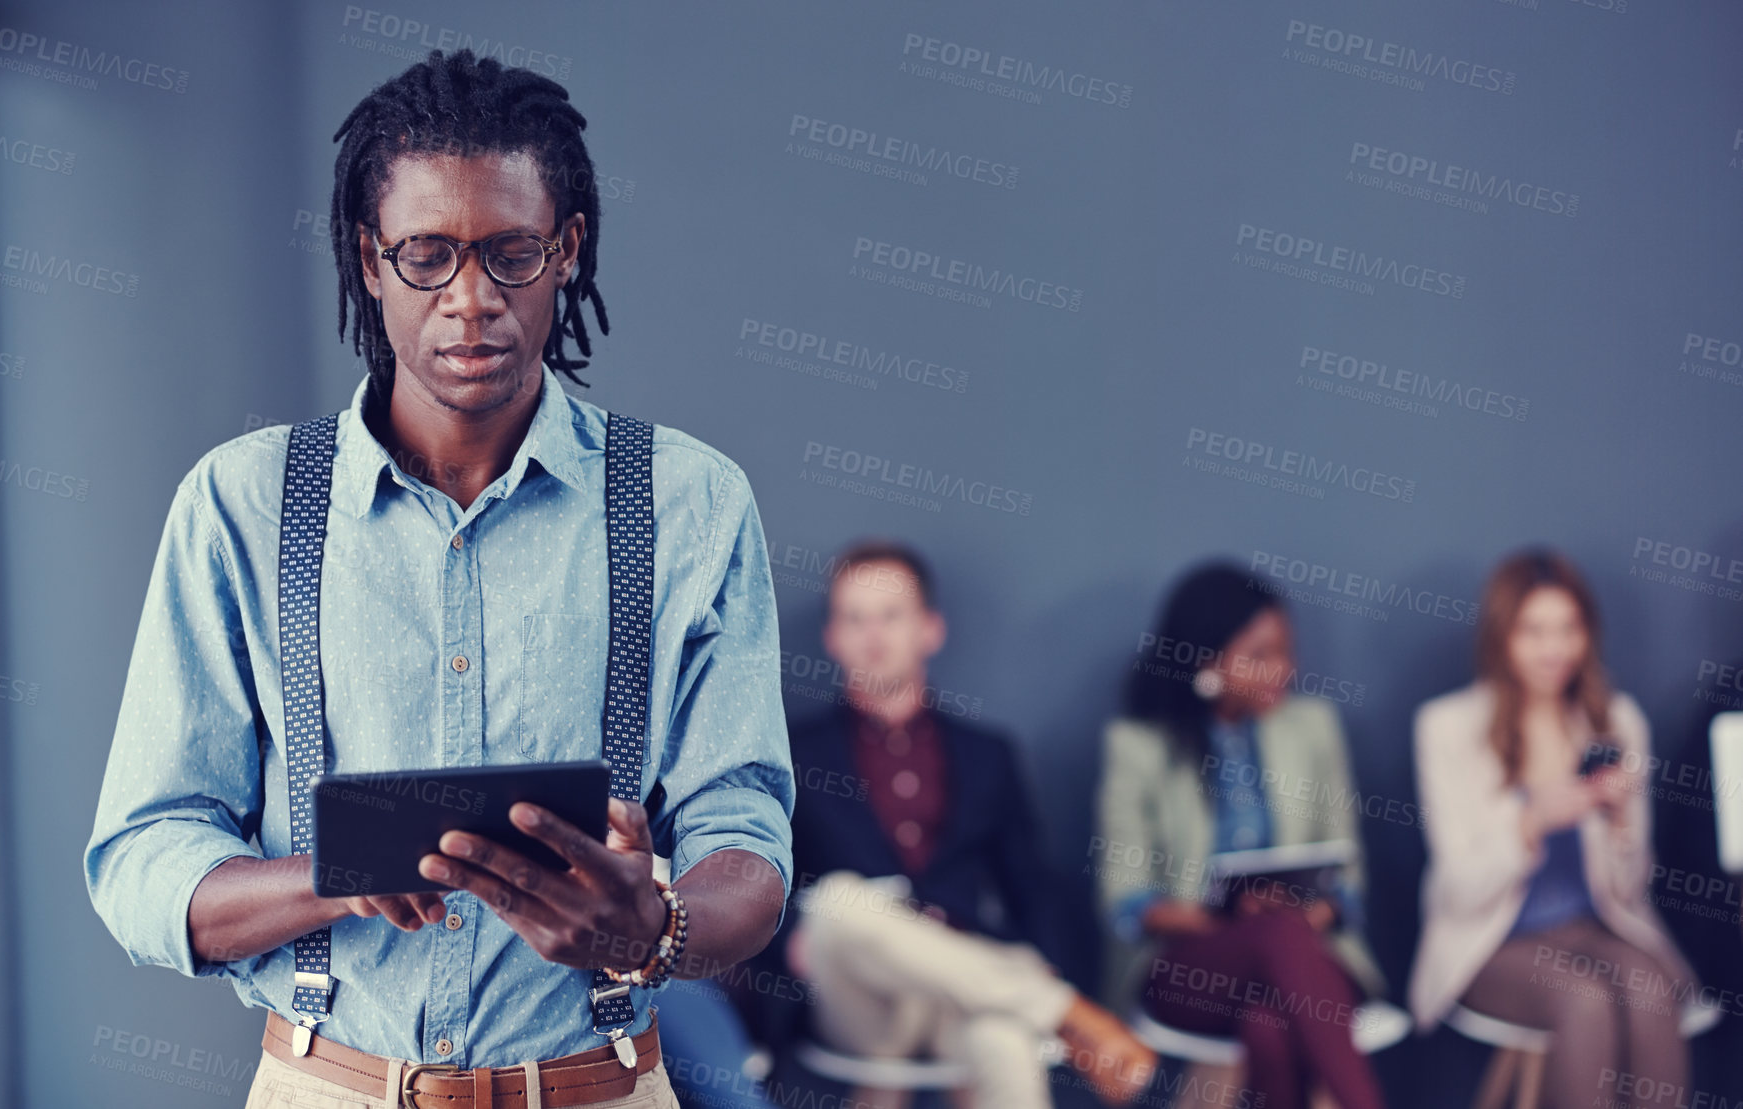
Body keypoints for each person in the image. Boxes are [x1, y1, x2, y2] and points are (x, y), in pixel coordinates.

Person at [83, 48, 794, 1109]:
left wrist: (658, 927)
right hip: (325, 1083)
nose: (470, 300)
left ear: (567, 251)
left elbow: (744, 826)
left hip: (594, 1086)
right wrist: (333, 877)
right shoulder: (241, 502)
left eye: (511, 253)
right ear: (369, 260)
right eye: (426, 255)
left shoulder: (690, 501)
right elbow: (143, 856)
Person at [770, 539, 1157, 1109]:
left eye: (890, 616)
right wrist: (789, 946)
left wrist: (1047, 953)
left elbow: (1029, 881)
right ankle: (1063, 1009)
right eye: (855, 618)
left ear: (929, 629)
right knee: (836, 902)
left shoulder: (986, 754)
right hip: (856, 993)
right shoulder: (792, 751)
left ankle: (1029, 999)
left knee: (1005, 1042)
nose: (873, 636)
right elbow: (762, 879)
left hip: (960, 982)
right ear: (832, 637)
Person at [1408, 548, 1698, 1105]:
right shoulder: (1447, 728)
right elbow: (1458, 891)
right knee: (1582, 998)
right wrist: (1531, 822)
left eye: (1569, 628)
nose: (1554, 649)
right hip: (1490, 941)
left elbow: (1631, 887)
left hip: (1595, 926)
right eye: (1533, 631)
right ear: (1501, 637)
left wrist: (1617, 824)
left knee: (1651, 988)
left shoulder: (1617, 721)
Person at [1095, 561, 1388, 1109]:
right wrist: (1223, 916)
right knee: (1274, 934)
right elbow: (1124, 899)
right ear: (1206, 662)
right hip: (1192, 964)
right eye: (1258, 656)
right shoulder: (1139, 745)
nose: (1282, 670)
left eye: (1286, 652)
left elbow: (1346, 874)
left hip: (1310, 957)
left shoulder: (1313, 728)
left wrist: (1315, 912)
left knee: (1269, 1022)